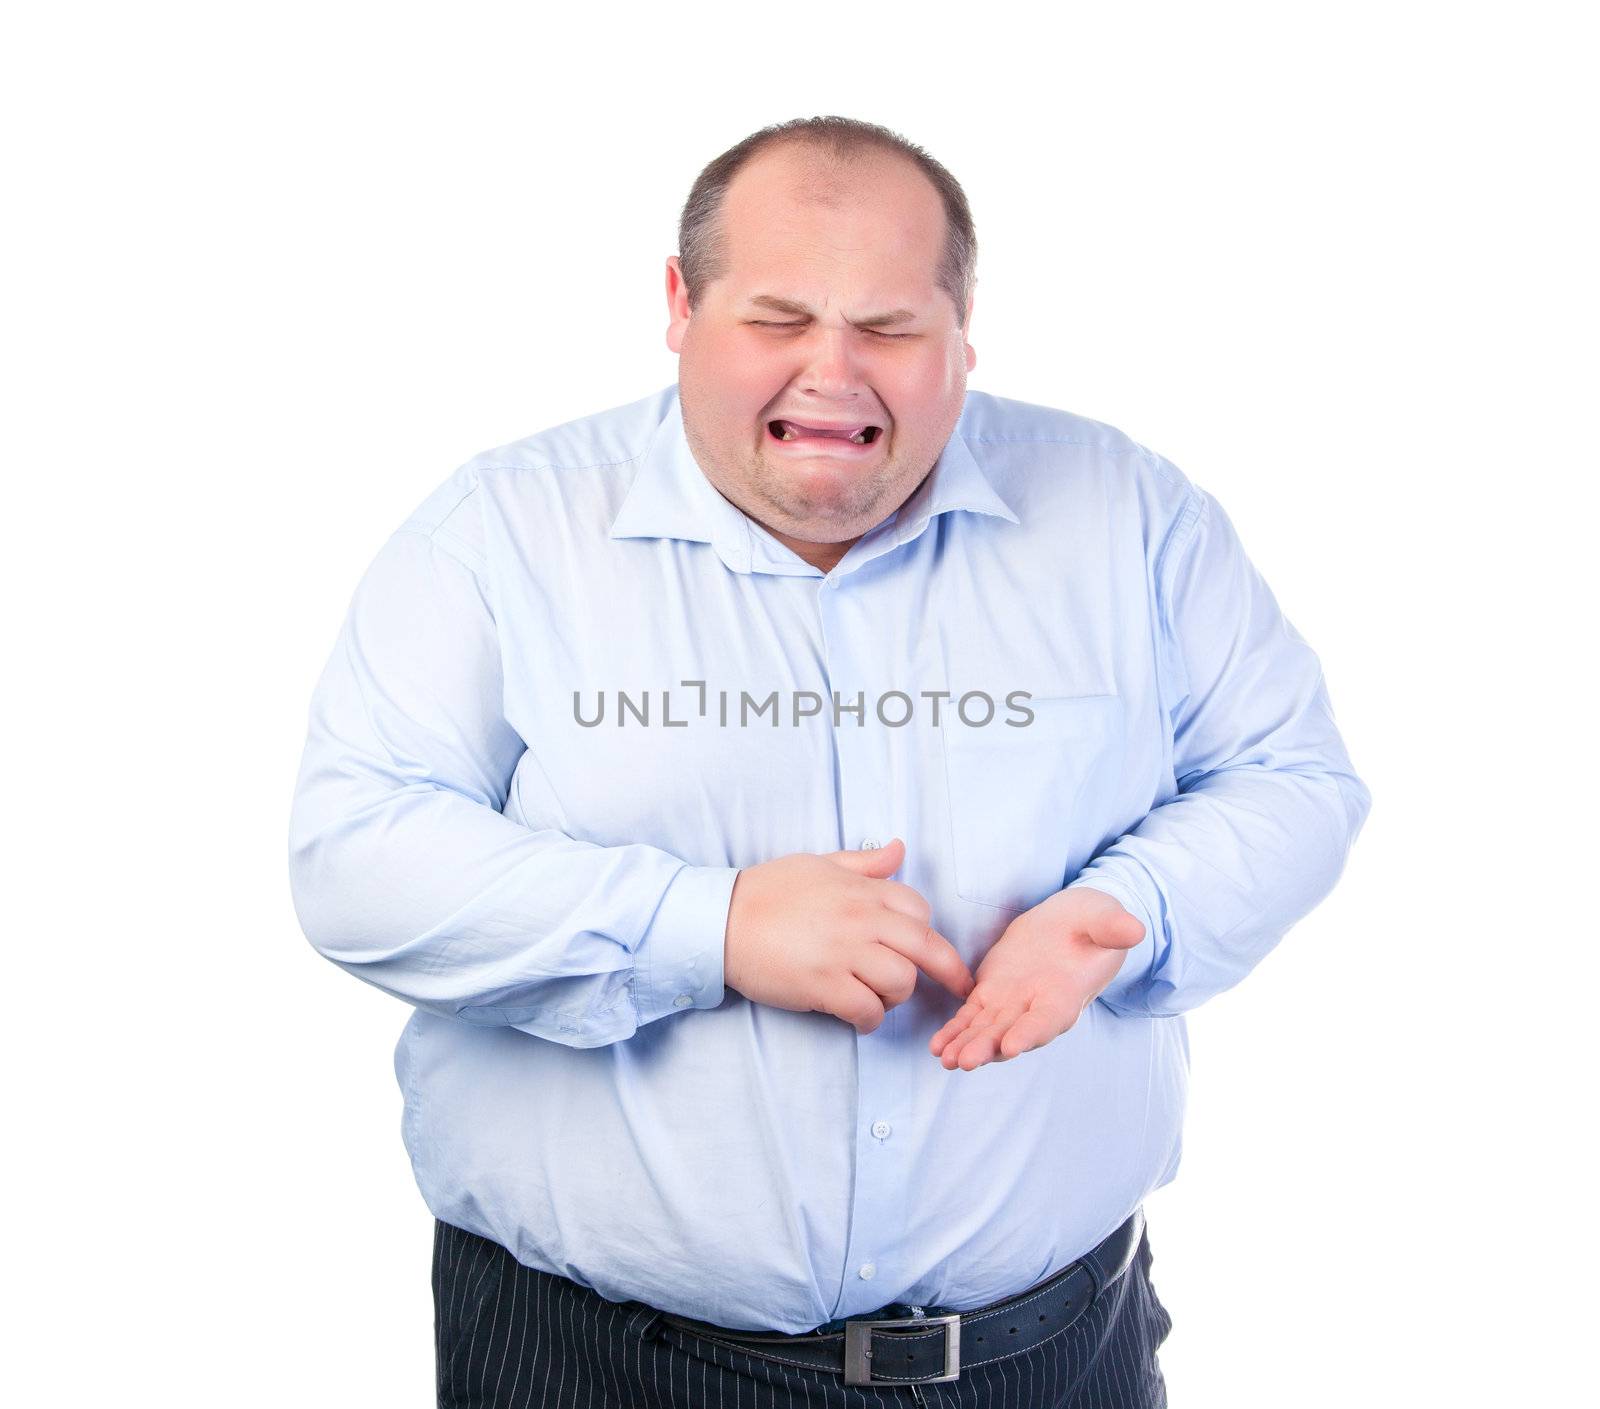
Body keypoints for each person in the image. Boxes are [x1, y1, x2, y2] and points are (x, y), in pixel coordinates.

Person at [288, 114, 1372, 1408]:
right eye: (779, 317)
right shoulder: (500, 531)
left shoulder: (1129, 511)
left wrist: (1126, 912)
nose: (833, 370)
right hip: (600, 1365)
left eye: (891, 328)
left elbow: (1293, 775)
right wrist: (711, 923)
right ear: (681, 307)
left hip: (1051, 1358)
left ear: (963, 331)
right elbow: (356, 859)